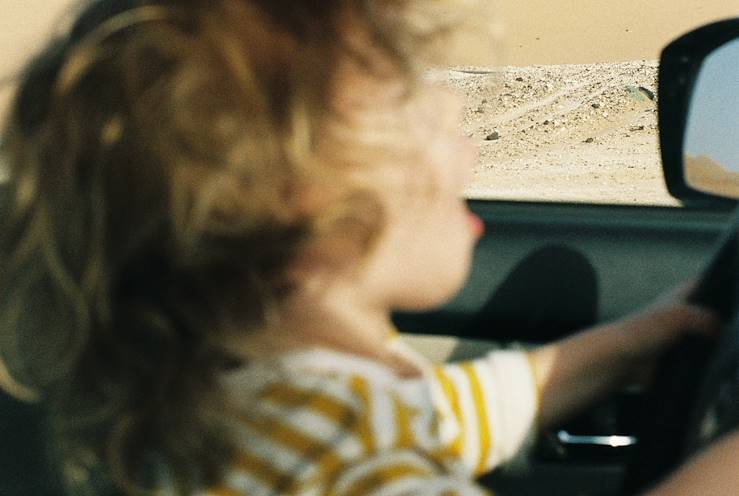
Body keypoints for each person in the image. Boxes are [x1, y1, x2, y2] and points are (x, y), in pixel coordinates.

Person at [0, 0, 736, 494]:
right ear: (302, 201)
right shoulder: (346, 462)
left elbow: (449, 413)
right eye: (428, 122)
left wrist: (632, 343)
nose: (468, 155)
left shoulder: (259, 402)